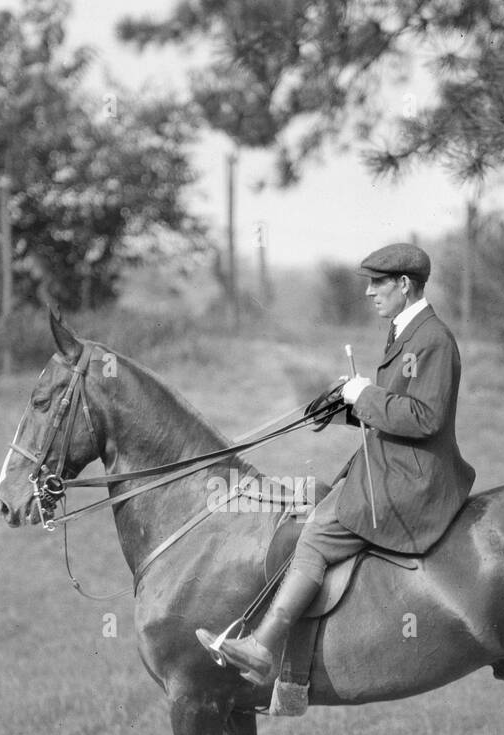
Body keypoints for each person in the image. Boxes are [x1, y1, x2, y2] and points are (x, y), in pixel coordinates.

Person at [196, 242, 476, 684]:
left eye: (377, 283)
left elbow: (425, 417)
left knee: (316, 533)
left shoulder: (432, 340)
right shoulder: (407, 332)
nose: (369, 293)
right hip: (390, 467)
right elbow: (397, 409)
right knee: (314, 503)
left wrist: (363, 395)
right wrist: (345, 405)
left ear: (404, 285)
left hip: (412, 481)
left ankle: (262, 647)